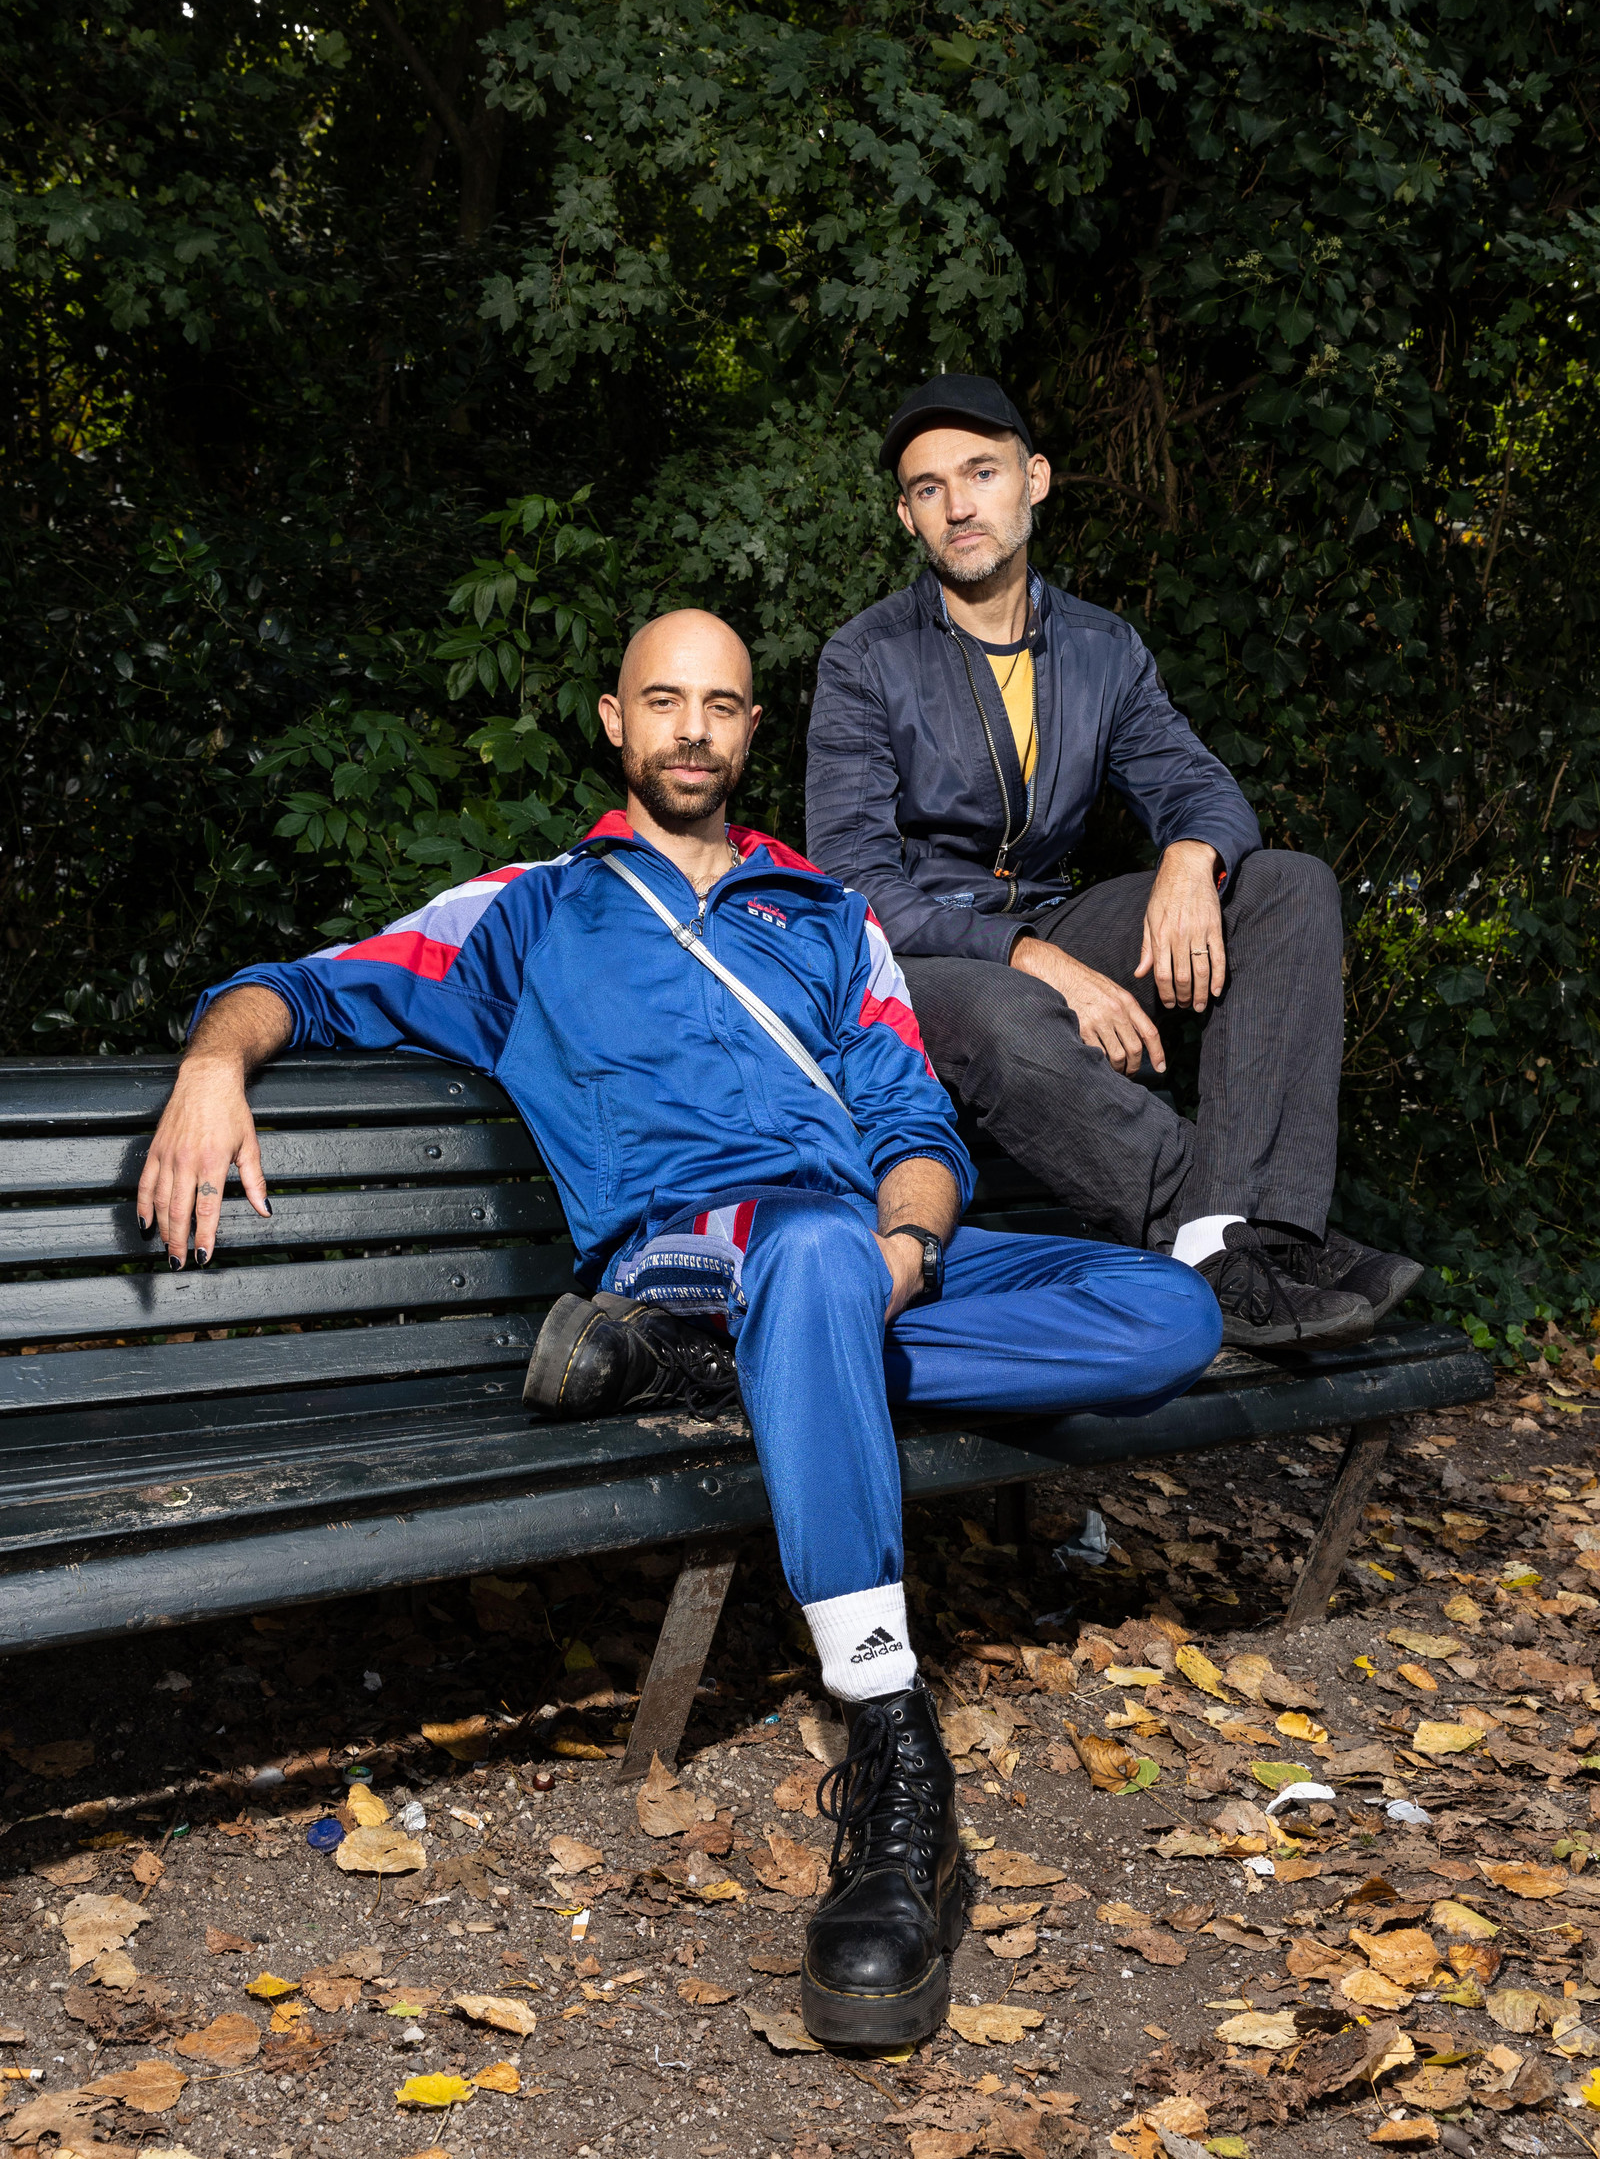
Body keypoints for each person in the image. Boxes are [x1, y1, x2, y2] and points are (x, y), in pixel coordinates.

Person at [138, 607, 1221, 2050]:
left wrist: (907, 1244)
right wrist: (215, 1061)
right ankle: (893, 1751)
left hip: (860, 1248)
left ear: (752, 731)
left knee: (1170, 1307)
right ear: (614, 720)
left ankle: (745, 1364)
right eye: (665, 702)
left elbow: (910, 1122)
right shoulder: (532, 911)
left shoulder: (830, 916)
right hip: (697, 1245)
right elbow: (314, 983)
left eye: (721, 706)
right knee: (816, 1256)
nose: (693, 731)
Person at [805, 373, 1424, 1351]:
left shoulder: (1101, 647)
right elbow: (853, 889)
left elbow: (1202, 785)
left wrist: (1190, 854)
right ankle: (1220, 1246)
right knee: (1009, 1011)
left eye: (979, 472)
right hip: (912, 957)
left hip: (1050, 917)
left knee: (1285, 888)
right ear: (906, 515)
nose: (958, 504)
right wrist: (1029, 956)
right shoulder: (864, 658)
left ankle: (1243, 1237)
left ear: (1034, 479)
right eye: (928, 488)